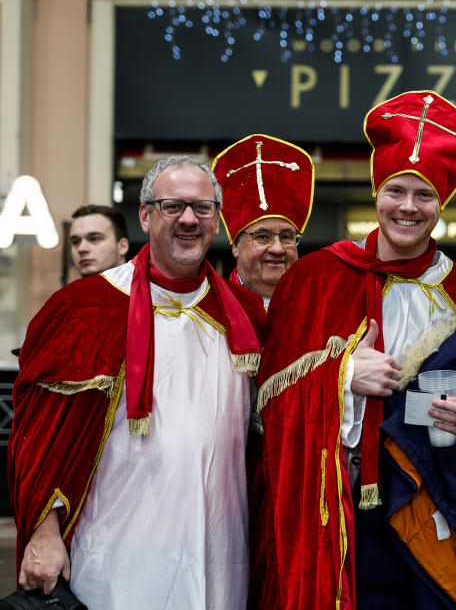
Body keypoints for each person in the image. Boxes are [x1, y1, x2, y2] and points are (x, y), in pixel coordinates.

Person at [253, 91, 456, 609]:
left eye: (424, 195)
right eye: (396, 190)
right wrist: (342, 374)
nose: (408, 207)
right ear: (377, 193)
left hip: (437, 505)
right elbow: (265, 408)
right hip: (339, 505)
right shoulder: (315, 276)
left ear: (442, 205)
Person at [10, 156, 266, 608]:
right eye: (172, 206)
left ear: (217, 221)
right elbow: (41, 438)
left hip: (220, 555)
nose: (189, 219)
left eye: (203, 208)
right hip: (120, 556)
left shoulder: (246, 316)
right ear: (145, 216)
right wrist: (44, 532)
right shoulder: (87, 307)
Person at [212, 134, 315, 308]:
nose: (277, 248)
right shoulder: (213, 309)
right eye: (262, 237)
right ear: (236, 245)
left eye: (286, 237)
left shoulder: (319, 308)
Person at [68, 204, 129, 277]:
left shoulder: (143, 287)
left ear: (122, 246)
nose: (81, 249)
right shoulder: (71, 288)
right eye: (76, 242)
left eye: (94, 239)